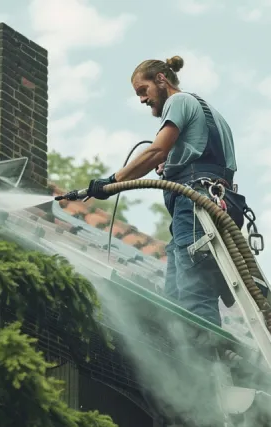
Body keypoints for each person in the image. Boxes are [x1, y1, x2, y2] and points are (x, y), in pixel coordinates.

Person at [84, 55, 239, 328]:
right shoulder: (211, 114)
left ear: (161, 79)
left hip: (194, 207)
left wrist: (111, 183)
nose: (142, 100)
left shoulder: (178, 101)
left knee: (193, 298)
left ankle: (204, 363)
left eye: (143, 91)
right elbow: (205, 157)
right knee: (177, 297)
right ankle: (188, 351)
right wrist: (174, 164)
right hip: (220, 204)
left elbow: (157, 150)